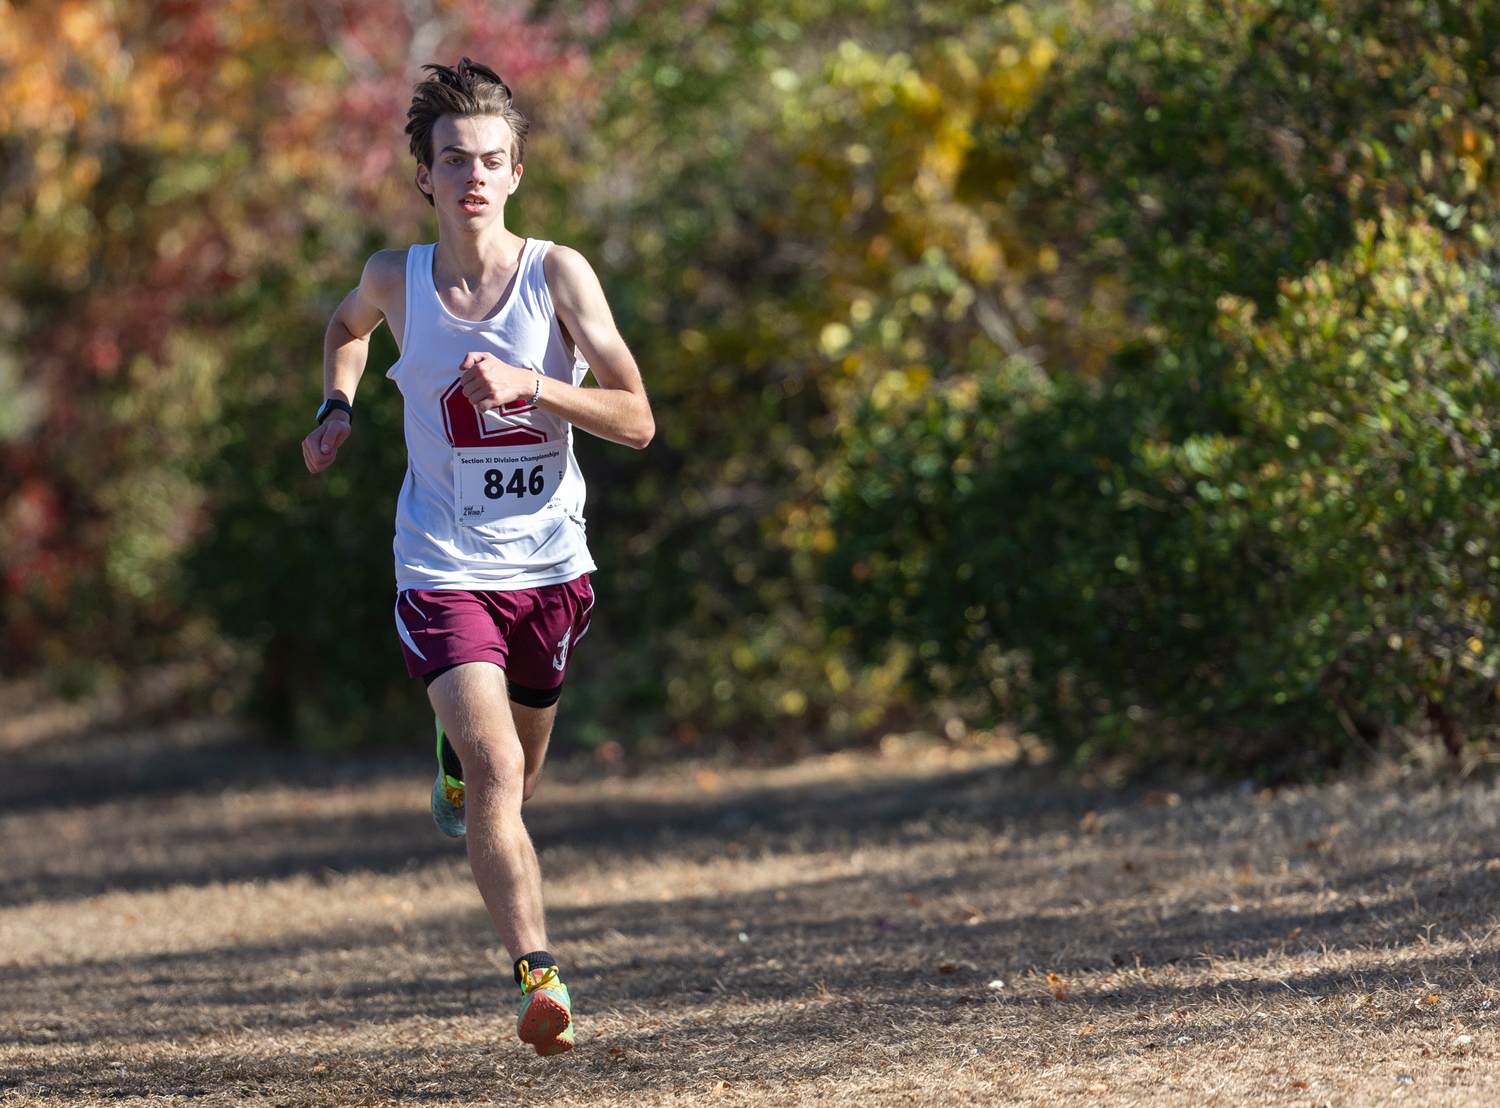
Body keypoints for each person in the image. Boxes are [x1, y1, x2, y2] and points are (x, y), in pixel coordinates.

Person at [300, 57, 654, 1057]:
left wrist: (534, 388)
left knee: (518, 772)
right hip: (442, 564)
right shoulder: (394, 277)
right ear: (424, 175)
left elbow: (636, 419)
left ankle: (459, 771)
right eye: (454, 159)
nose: (475, 177)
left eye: (493, 159)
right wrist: (337, 407)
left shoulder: (557, 275)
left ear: (517, 173)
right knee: (499, 768)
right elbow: (343, 328)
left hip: (549, 568)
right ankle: (542, 978)